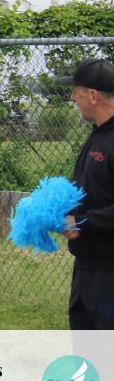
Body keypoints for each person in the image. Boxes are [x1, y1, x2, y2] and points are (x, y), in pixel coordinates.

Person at [58, 58, 114, 330]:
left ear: (93, 95)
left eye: (75, 91)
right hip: (86, 266)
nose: (72, 97)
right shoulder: (97, 134)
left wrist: (80, 222)